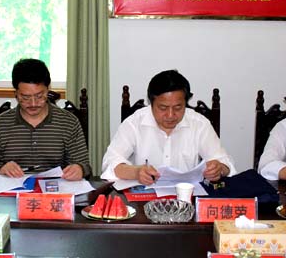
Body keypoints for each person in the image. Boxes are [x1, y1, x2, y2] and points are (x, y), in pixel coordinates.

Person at [101, 70, 236, 185]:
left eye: (178, 107)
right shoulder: (134, 123)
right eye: (163, 108)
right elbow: (110, 162)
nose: (170, 115)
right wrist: (136, 172)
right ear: (151, 103)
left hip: (186, 198)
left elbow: (224, 163)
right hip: (143, 199)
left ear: (186, 103)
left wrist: (219, 169)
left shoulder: (199, 124)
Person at [0, 58, 91, 180]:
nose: (33, 103)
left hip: (56, 189)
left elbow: (84, 165)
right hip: (13, 189)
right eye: (26, 97)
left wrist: (79, 169)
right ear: (16, 93)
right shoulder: (1, 123)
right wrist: (1, 169)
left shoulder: (68, 122)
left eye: (39, 96)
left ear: (48, 89)